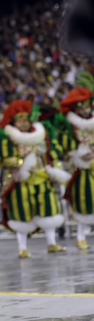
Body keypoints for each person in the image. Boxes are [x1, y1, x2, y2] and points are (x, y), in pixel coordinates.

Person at [0, 100, 71, 258]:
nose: (24, 123)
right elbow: (4, 159)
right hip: (20, 181)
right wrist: (21, 162)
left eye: (26, 119)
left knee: (49, 211)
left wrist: (55, 170)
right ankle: (22, 248)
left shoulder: (41, 135)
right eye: (20, 120)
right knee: (21, 214)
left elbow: (51, 154)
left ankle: (52, 243)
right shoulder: (7, 138)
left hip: (42, 178)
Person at [58, 88, 94, 249]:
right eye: (81, 108)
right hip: (83, 170)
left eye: (87, 107)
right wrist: (79, 155)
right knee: (83, 202)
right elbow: (66, 148)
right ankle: (80, 237)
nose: (85, 111)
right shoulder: (70, 128)